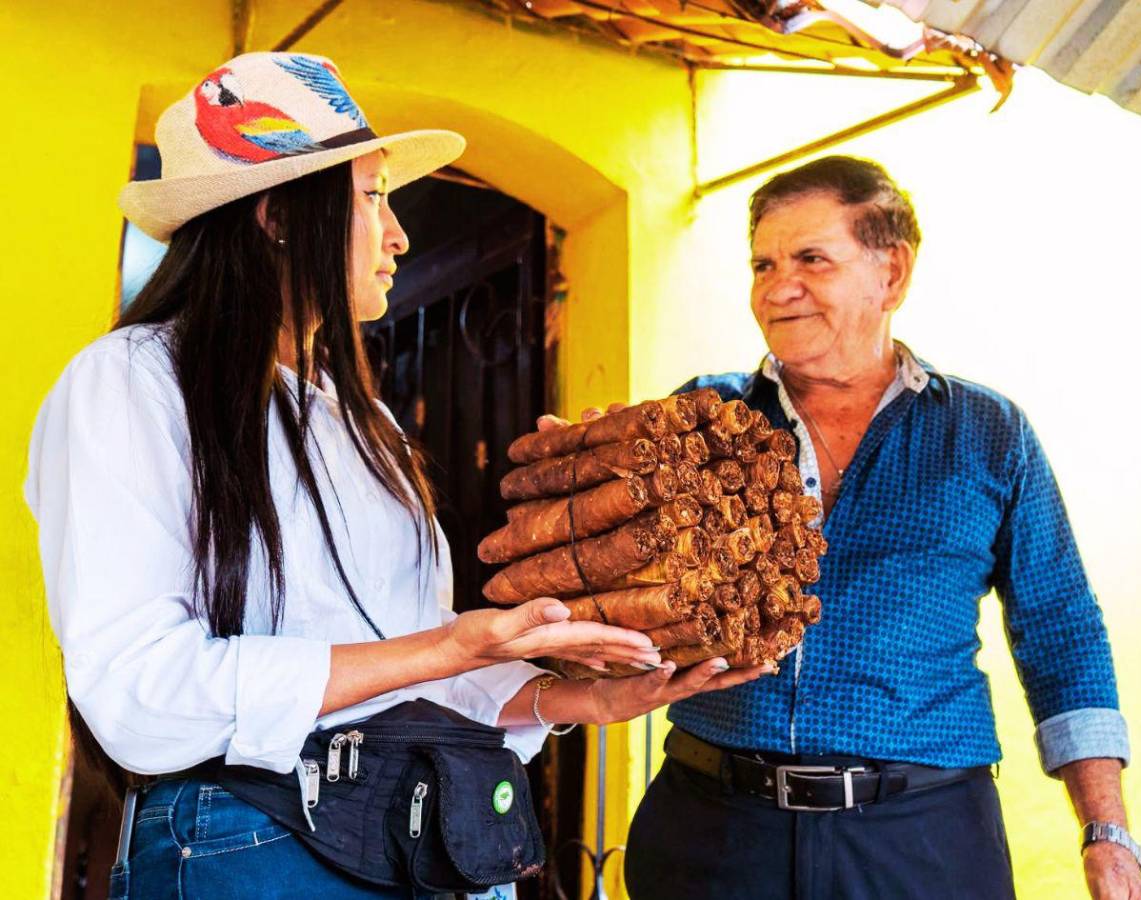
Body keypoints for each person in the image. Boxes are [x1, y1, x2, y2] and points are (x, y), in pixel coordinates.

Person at [23, 52, 768, 900]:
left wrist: (575, 702)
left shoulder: (363, 422)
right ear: (276, 214)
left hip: (415, 838)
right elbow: (137, 690)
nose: (400, 234)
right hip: (253, 850)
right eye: (373, 197)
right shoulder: (129, 381)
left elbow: (411, 663)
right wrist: (448, 642)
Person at [621, 156, 1141, 900]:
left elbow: (1062, 629)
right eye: (763, 263)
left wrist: (1107, 832)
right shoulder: (704, 419)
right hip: (714, 830)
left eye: (812, 259)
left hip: (924, 840)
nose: (778, 287)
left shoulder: (987, 433)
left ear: (890, 273)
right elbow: (616, 584)